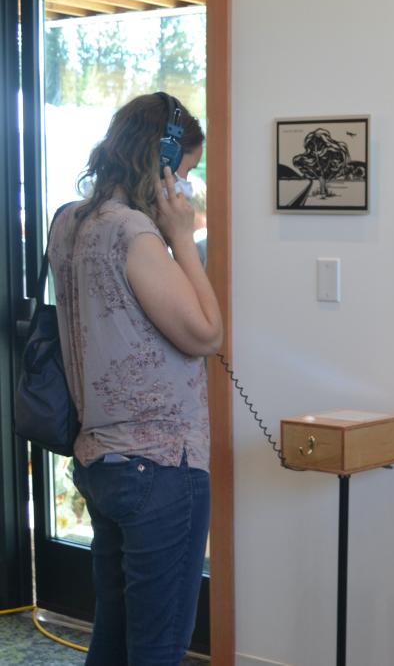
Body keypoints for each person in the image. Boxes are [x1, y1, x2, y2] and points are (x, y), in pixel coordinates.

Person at [49, 92, 222, 664]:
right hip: (160, 465)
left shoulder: (70, 222)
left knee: (115, 635)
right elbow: (204, 334)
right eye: (185, 172)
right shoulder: (135, 233)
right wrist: (181, 235)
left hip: (103, 460)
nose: (183, 188)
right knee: (157, 646)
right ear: (162, 159)